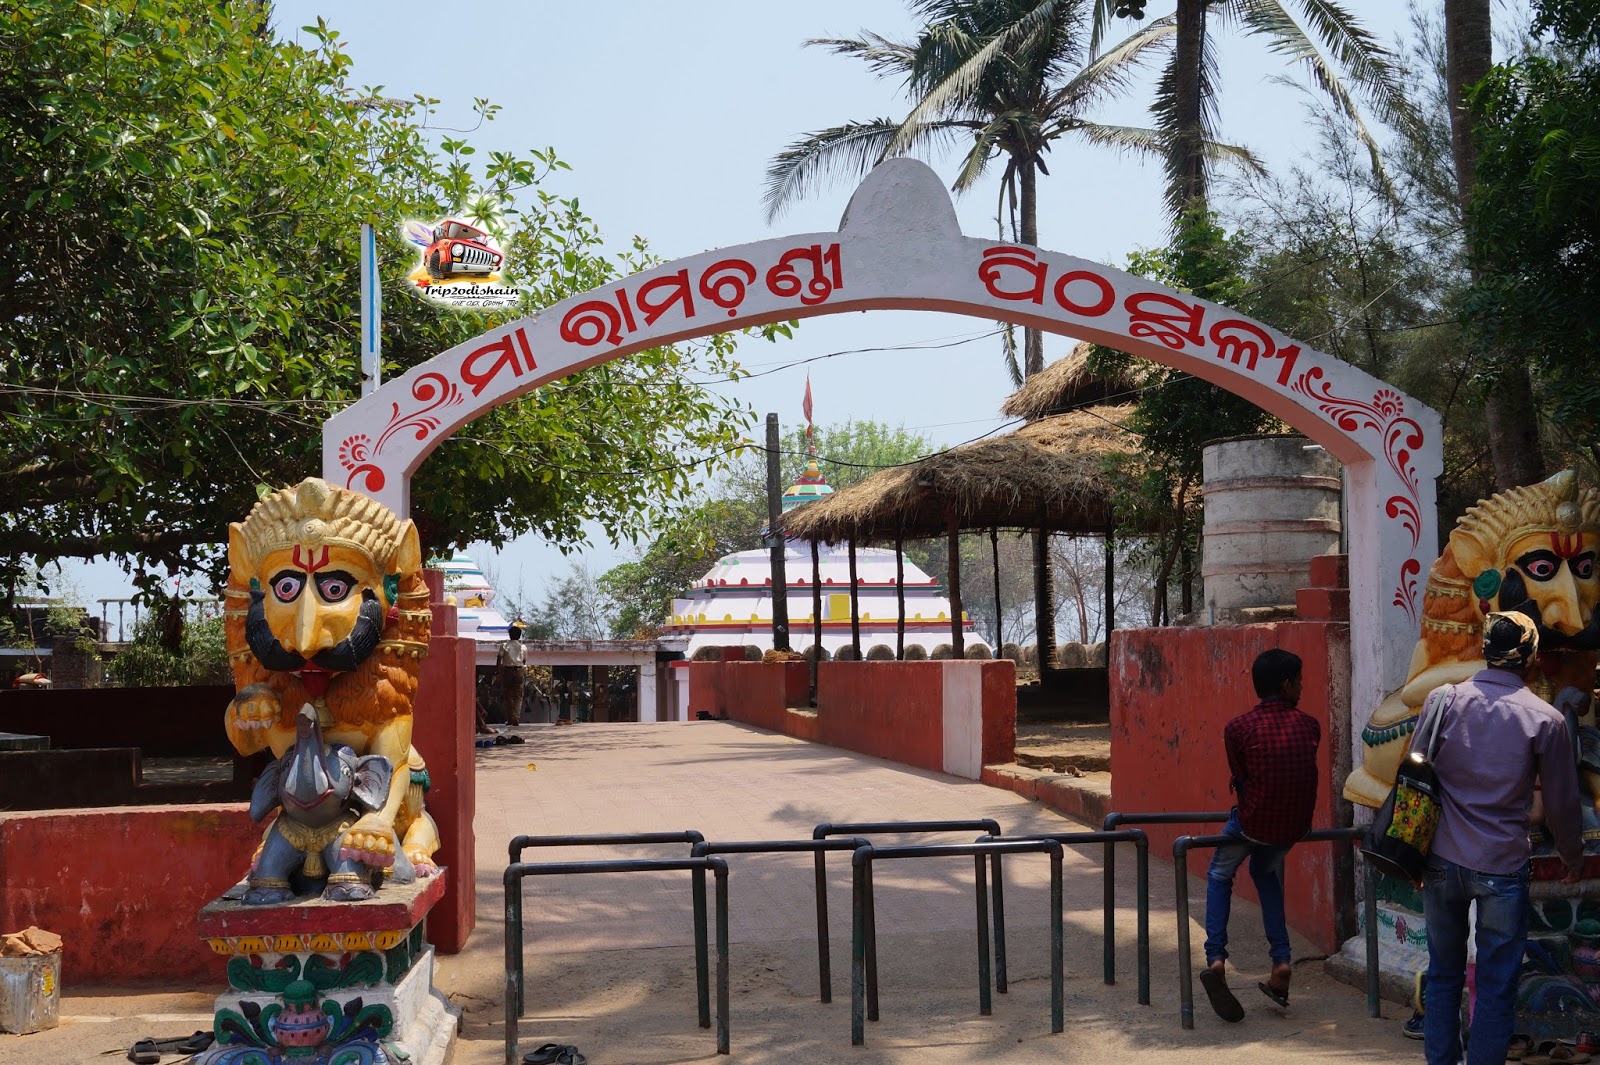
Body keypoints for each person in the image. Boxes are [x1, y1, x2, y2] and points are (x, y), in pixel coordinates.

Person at [1423, 611, 1583, 1065]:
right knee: (1495, 987)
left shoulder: (1443, 700)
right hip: (1501, 867)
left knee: (1443, 977)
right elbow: (1562, 803)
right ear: (1530, 657)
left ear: (1485, 650)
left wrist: (1414, 858)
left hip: (1440, 860)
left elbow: (1417, 780)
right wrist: (1572, 856)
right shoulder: (1545, 719)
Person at [1199, 647, 1321, 1023]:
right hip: (1294, 827)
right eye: (1299, 680)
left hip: (1252, 822)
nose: (1302, 687)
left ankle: (1216, 958)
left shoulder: (1237, 728)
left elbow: (1241, 778)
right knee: (1265, 873)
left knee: (1219, 874)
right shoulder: (1310, 725)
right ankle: (1281, 960)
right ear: (1285, 685)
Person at [497, 624, 526, 727]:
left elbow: (499, 660)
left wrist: (498, 673)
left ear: (509, 635)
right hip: (519, 670)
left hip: (507, 671)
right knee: (518, 696)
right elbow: (524, 660)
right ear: (519, 636)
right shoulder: (523, 647)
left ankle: (510, 718)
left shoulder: (504, 645)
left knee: (508, 695)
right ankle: (516, 718)